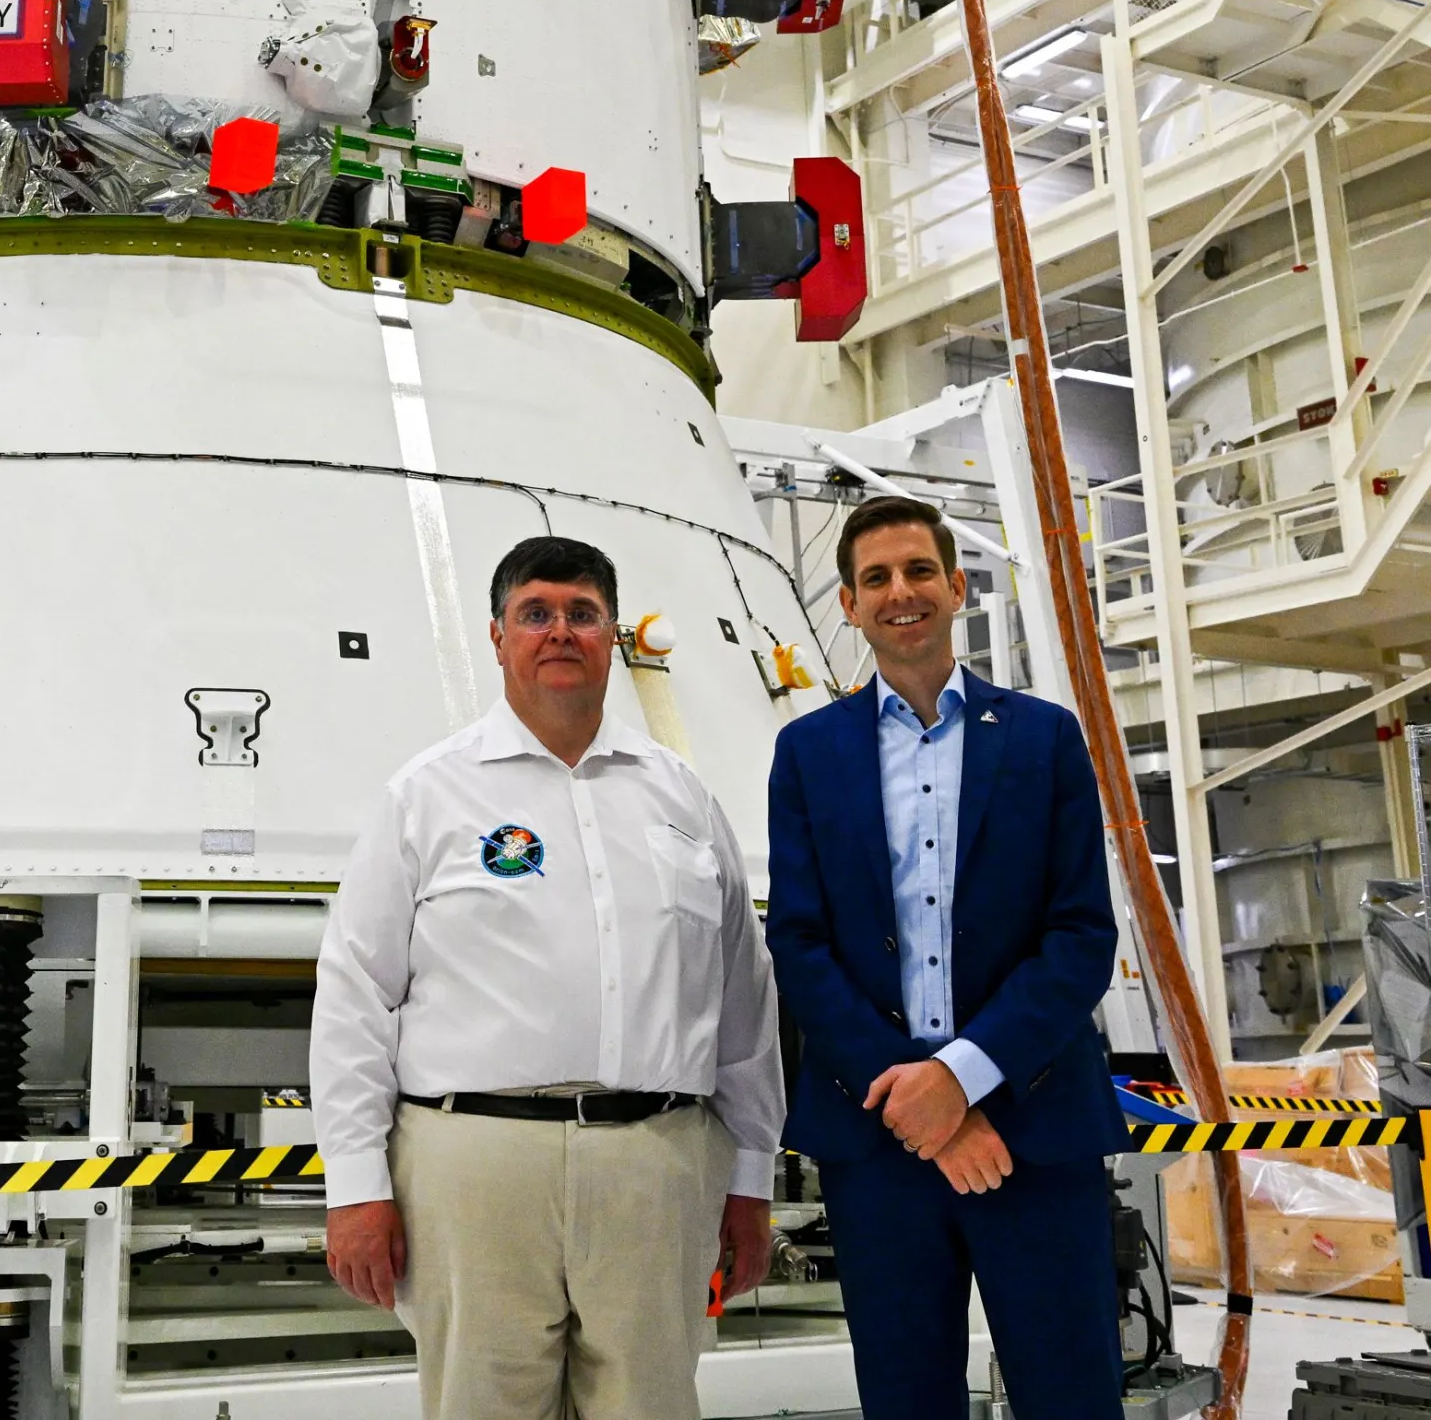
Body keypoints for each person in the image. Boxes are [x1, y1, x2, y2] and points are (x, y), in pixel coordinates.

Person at [312, 534, 783, 1420]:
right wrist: (357, 1188)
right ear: (498, 637)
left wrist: (750, 1179)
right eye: (536, 614)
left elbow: (743, 1007)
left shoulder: (682, 798)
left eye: (582, 614)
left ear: (613, 636)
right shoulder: (428, 796)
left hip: (658, 1161)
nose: (559, 631)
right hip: (475, 1167)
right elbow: (354, 996)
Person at [765, 494, 1125, 1419]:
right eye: (875, 578)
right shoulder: (807, 753)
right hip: (880, 1143)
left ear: (957, 587)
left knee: (1072, 1397)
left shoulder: (1044, 739)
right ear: (848, 604)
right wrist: (917, 1099)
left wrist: (958, 1081)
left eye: (919, 570)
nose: (901, 592)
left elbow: (1081, 934)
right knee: (906, 1399)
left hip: (1033, 1131)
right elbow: (799, 943)